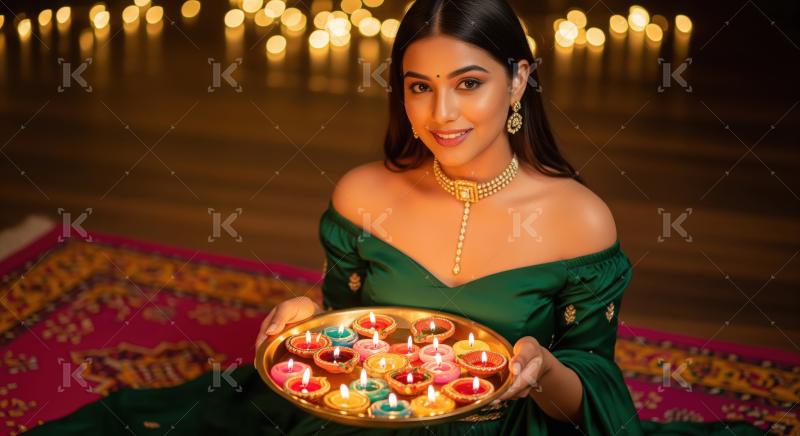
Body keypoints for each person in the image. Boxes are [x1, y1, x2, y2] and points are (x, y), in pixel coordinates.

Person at [29, 0, 762, 434]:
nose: (441, 114)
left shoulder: (581, 223)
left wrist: (542, 373)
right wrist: (304, 308)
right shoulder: (361, 195)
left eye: (469, 83)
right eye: (420, 87)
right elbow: (345, 318)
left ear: (520, 81)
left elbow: (595, 392)